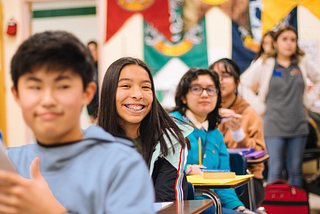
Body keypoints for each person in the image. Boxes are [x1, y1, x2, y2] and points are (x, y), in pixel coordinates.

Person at [1, 31, 155, 213]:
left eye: (63, 86)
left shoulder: (122, 166)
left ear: (87, 93)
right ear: (17, 95)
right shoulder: (9, 165)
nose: (48, 100)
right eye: (35, 87)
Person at [97, 57, 193, 202]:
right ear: (109, 92)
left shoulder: (169, 141)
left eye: (146, 87)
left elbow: (168, 204)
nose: (138, 94)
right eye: (126, 86)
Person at [240, 25, 320, 188]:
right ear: (275, 43)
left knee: (296, 170)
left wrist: (308, 102)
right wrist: (259, 106)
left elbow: (318, 78)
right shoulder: (266, 63)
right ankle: (275, 208)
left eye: (293, 40)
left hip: (298, 124)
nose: (289, 43)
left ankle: (296, 209)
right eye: (284, 39)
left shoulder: (302, 62)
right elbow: (243, 83)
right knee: (275, 169)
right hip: (273, 125)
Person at [170, 68, 255, 214]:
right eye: (196, 89)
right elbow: (158, 170)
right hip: (181, 204)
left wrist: (240, 209)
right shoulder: (171, 125)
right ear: (183, 97)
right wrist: (188, 169)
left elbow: (224, 183)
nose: (205, 94)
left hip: (212, 204)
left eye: (211, 90)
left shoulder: (216, 134)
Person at [210, 58, 266, 208]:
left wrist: (239, 136)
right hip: (209, 180)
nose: (220, 80)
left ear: (237, 82)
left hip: (245, 180)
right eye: (215, 76)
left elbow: (261, 153)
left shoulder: (249, 113)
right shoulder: (204, 113)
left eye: (226, 75)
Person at [87, 40, 99, 123]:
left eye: (94, 50)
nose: (93, 53)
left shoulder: (104, 66)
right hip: (95, 110)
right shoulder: (89, 70)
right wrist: (90, 113)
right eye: (90, 51)